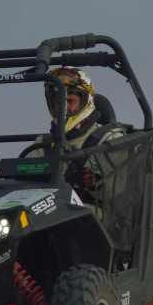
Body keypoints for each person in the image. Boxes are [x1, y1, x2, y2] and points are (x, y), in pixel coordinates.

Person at [24, 67, 127, 206]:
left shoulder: (109, 140)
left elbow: (120, 192)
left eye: (70, 101)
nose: (64, 108)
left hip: (94, 218)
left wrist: (93, 183)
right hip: (47, 216)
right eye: (57, 102)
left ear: (86, 102)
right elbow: (21, 185)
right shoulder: (42, 145)